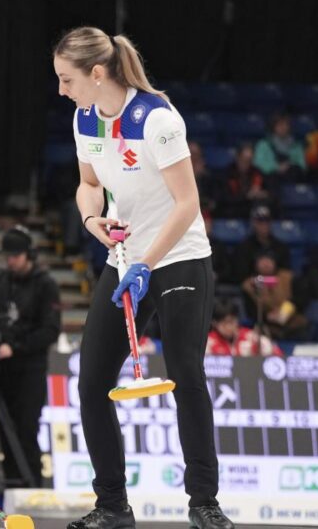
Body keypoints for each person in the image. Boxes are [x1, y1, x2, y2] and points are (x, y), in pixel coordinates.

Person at [54, 27, 234, 529]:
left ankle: (204, 503)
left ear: (96, 73)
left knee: (186, 375)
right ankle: (112, 506)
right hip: (124, 259)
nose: (62, 90)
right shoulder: (84, 118)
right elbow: (88, 184)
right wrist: (93, 220)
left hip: (178, 257)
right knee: (92, 383)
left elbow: (188, 204)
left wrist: (146, 263)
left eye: (67, 79)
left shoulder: (157, 119)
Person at [0, 226, 61, 488]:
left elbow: (50, 330)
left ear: (29, 254)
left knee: (26, 431)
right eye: (7, 256)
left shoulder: (45, 285)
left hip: (30, 369)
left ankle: (31, 489)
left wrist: (16, 347)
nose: (10, 261)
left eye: (16, 256)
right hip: (1, 368)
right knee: (5, 434)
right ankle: (11, 490)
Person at [241, 253, 308, 341]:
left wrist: (285, 311)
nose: (266, 264)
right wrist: (267, 316)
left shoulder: (289, 277)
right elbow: (250, 310)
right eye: (262, 260)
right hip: (267, 324)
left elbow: (301, 298)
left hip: (292, 321)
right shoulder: (248, 285)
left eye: (269, 260)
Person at [232, 205, 291, 284]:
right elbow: (240, 275)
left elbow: (286, 272)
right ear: (253, 223)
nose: (264, 225)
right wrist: (256, 266)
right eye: (260, 221)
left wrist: (273, 267)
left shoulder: (281, 247)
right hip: (253, 284)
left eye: (267, 221)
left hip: (276, 284)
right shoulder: (244, 247)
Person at [205, 299, 282, 357]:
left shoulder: (251, 337)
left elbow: (277, 355)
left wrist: (259, 350)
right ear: (215, 324)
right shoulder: (208, 342)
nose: (229, 327)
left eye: (232, 322)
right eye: (224, 323)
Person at [216, 143, 270, 219]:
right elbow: (223, 199)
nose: (247, 163)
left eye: (249, 160)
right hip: (232, 213)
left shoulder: (257, 173)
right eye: (244, 160)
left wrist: (263, 194)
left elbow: (270, 193)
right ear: (237, 157)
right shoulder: (226, 174)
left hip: (254, 213)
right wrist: (246, 196)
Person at [253, 113, 307, 187]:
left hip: (290, 176)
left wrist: (288, 165)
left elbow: (302, 165)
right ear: (273, 127)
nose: (283, 127)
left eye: (286, 124)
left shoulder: (296, 145)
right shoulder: (263, 144)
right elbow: (258, 164)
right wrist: (277, 167)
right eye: (280, 125)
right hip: (271, 178)